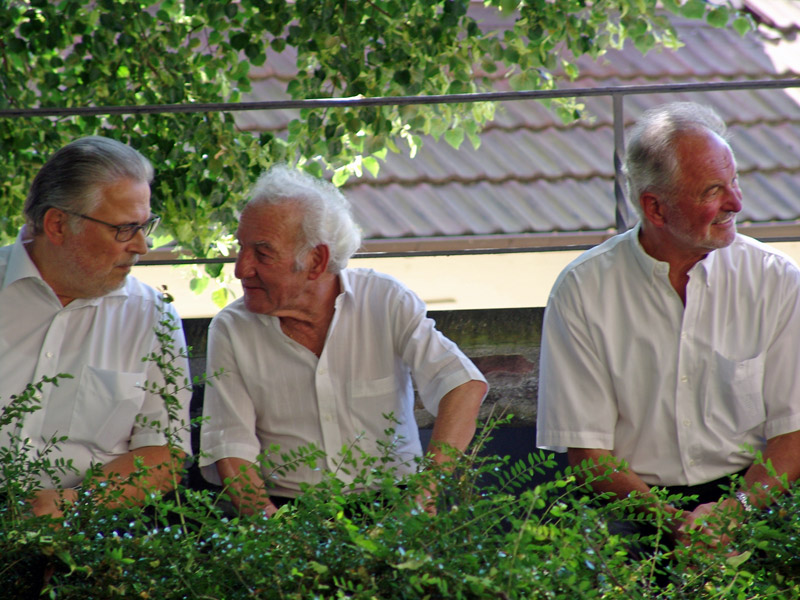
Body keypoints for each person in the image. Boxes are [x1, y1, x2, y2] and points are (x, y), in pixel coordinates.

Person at [536, 102, 800, 549]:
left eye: (734, 180)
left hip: (756, 495)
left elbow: (792, 433)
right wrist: (674, 524)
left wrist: (732, 515)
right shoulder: (582, 289)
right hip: (629, 507)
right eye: (713, 190)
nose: (736, 203)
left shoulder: (775, 279)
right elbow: (589, 456)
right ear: (655, 208)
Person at [199, 164, 488, 516]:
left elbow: (462, 385)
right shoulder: (232, 329)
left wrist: (422, 495)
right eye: (241, 248)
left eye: (262, 253)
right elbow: (231, 449)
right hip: (288, 514)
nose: (241, 269)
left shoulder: (384, 299)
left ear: (316, 260)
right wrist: (273, 535)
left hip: (396, 504)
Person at [0, 136, 192, 520]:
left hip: (94, 527)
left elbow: (164, 453)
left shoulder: (152, 315)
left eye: (145, 225)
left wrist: (79, 505)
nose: (142, 245)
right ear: (57, 224)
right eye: (124, 229)